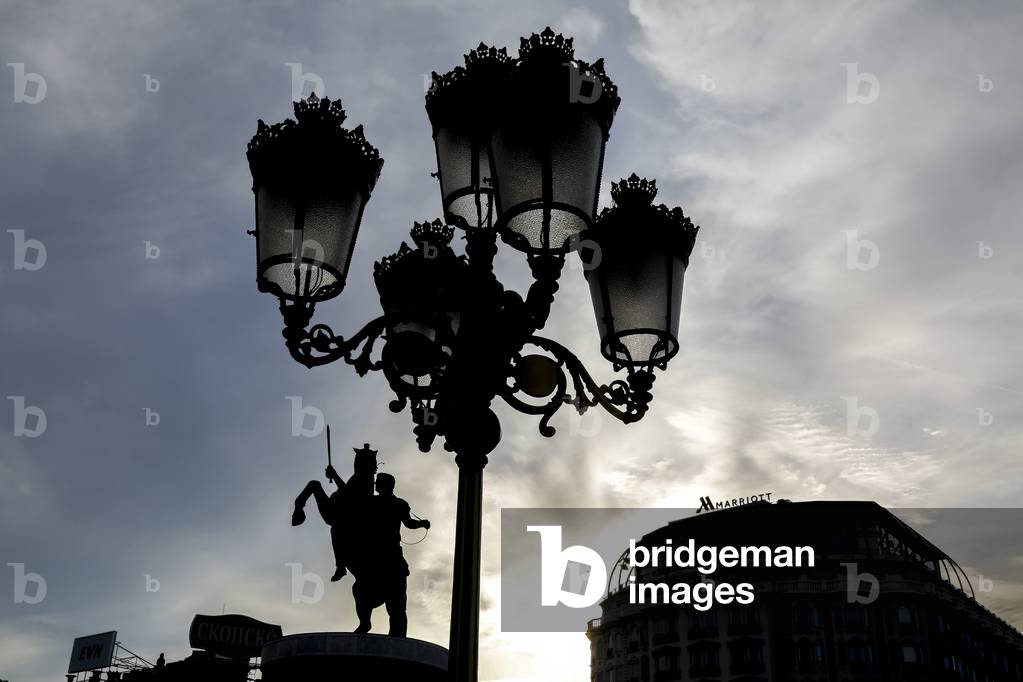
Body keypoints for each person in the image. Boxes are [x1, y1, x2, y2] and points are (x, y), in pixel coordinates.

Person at [352, 472, 430, 637]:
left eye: (378, 483)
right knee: (360, 590)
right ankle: (365, 622)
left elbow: (408, 523)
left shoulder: (395, 504)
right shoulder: (371, 502)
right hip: (375, 557)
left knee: (396, 604)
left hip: (390, 558)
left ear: (386, 485)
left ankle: (397, 636)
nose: (375, 485)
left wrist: (421, 523)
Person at [292, 444, 378, 582]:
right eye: (357, 460)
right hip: (335, 509)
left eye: (359, 460)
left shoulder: (367, 480)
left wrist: (335, 475)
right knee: (314, 484)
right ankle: (299, 508)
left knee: (336, 530)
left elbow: (351, 495)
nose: (356, 463)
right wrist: (332, 475)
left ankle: (340, 566)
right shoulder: (358, 476)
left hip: (345, 516)